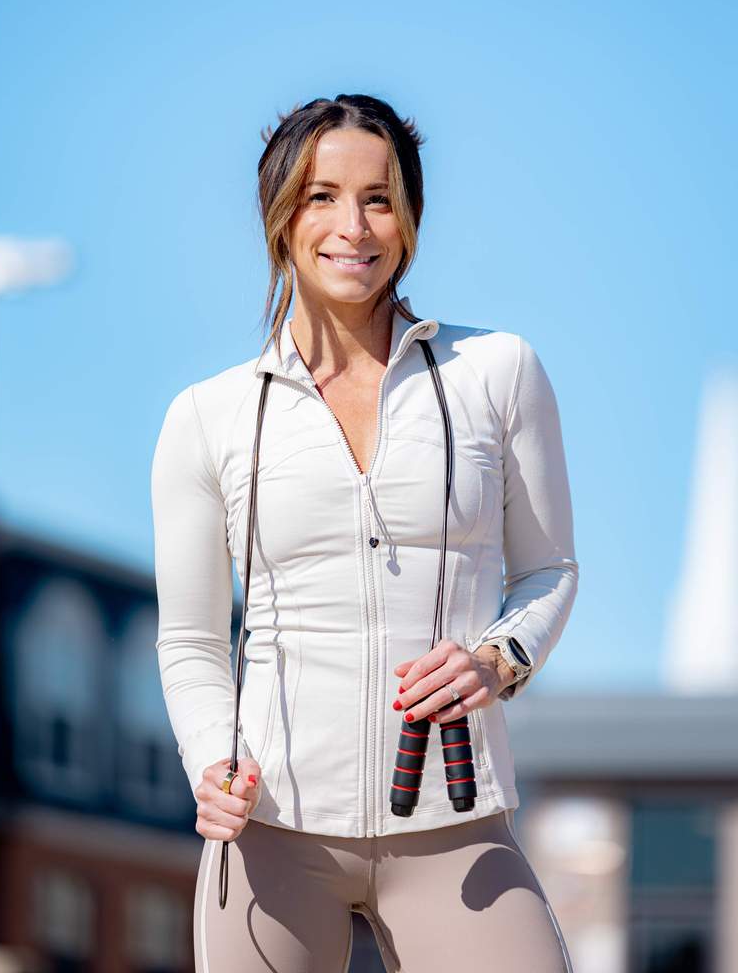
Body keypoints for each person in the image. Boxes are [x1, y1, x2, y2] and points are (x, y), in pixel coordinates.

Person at [151, 93, 579, 972]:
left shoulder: (497, 372)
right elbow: (192, 641)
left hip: (456, 821)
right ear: (280, 216)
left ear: (409, 216)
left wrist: (497, 660)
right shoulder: (208, 416)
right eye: (322, 197)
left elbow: (550, 569)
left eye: (378, 199)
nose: (353, 226)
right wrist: (211, 764)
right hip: (271, 829)